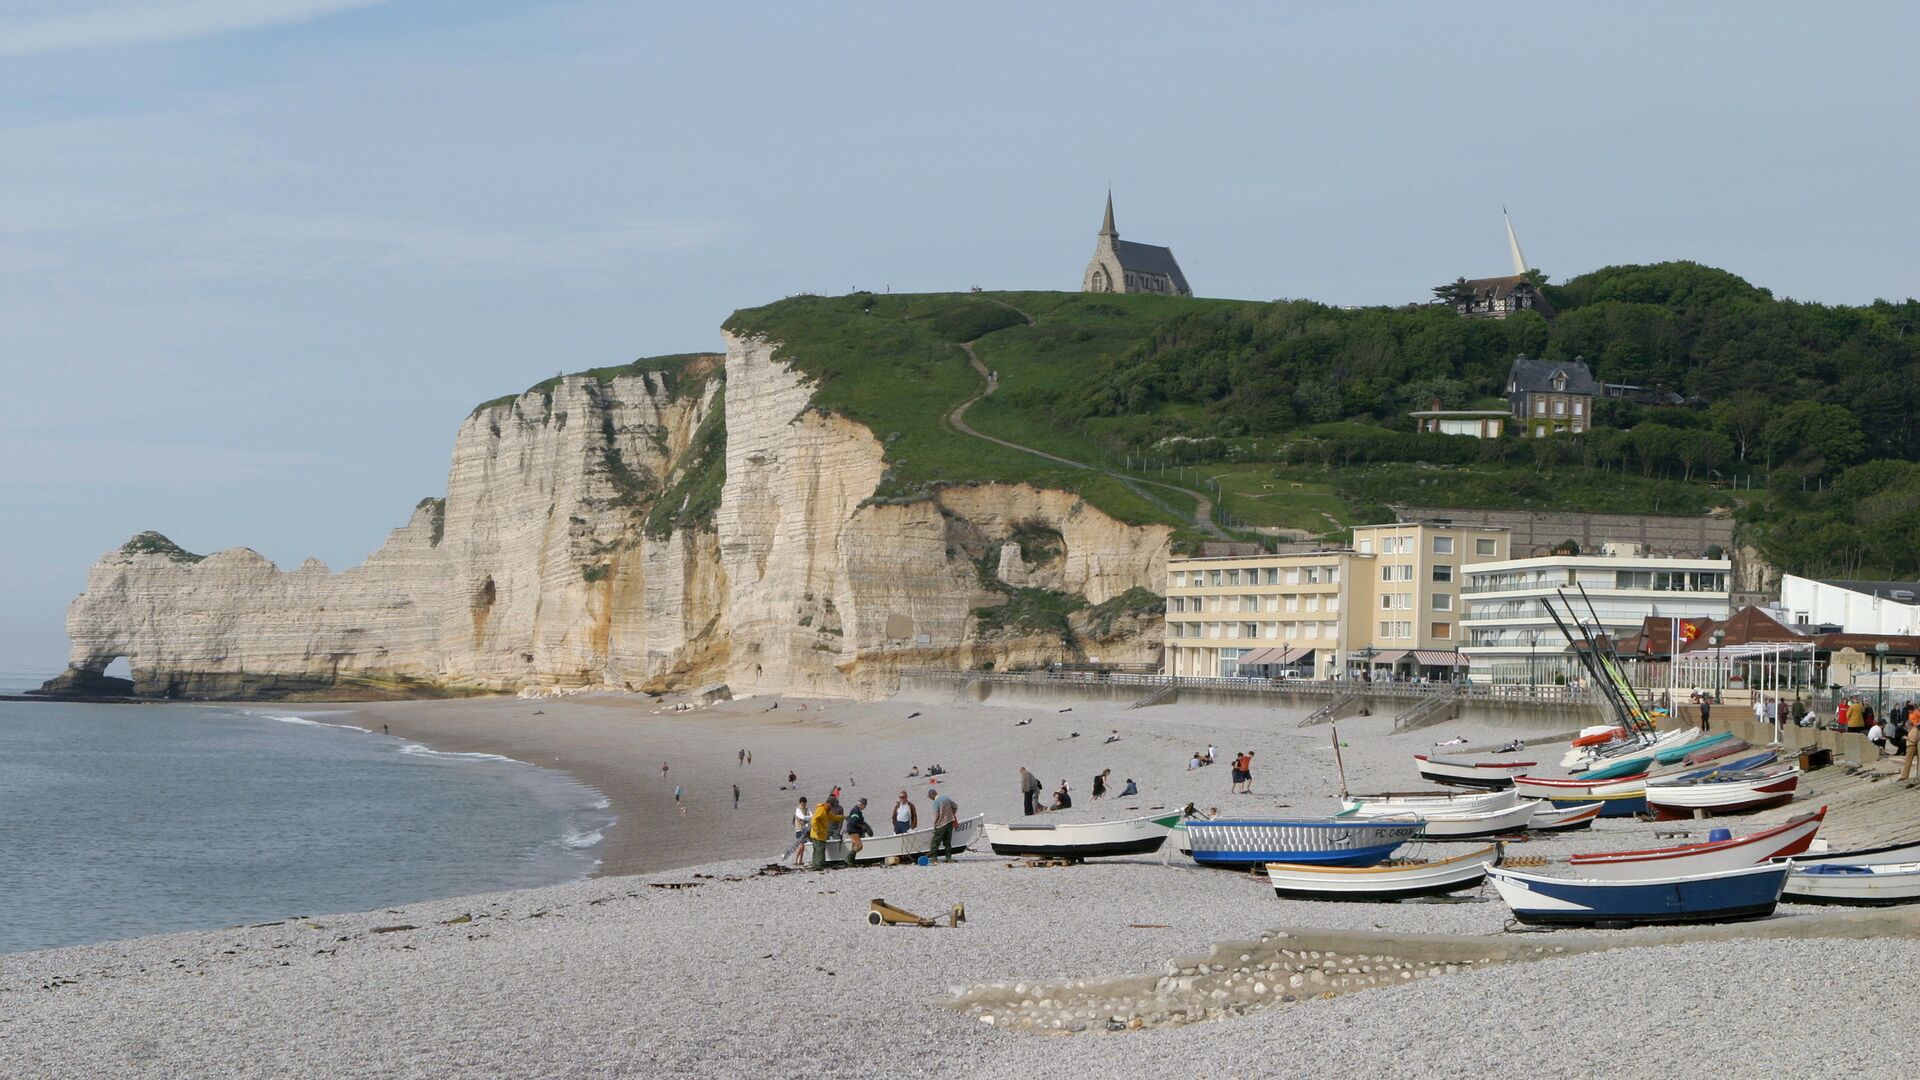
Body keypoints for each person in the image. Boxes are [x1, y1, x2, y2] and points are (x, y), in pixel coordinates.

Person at [807, 795, 844, 870]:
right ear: (829, 803)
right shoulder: (821, 809)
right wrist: (817, 829)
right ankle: (818, 865)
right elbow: (813, 820)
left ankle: (816, 864)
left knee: (819, 849)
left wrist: (844, 817)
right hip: (817, 834)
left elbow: (834, 817)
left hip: (822, 834)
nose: (832, 807)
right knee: (819, 849)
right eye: (832, 805)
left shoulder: (827, 811)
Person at [927, 788, 958, 862]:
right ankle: (948, 858)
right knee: (947, 842)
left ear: (931, 796)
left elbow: (936, 815)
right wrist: (952, 813)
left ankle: (934, 858)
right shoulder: (946, 798)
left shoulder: (935, 802)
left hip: (941, 824)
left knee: (935, 842)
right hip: (950, 821)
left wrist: (935, 824)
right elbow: (955, 806)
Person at [790, 798, 810, 864]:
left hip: (804, 829)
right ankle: (795, 859)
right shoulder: (798, 810)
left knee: (803, 846)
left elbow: (810, 817)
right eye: (803, 803)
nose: (804, 804)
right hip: (799, 829)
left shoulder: (806, 810)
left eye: (805, 803)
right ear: (800, 803)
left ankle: (800, 860)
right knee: (801, 845)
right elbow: (800, 820)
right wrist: (806, 820)